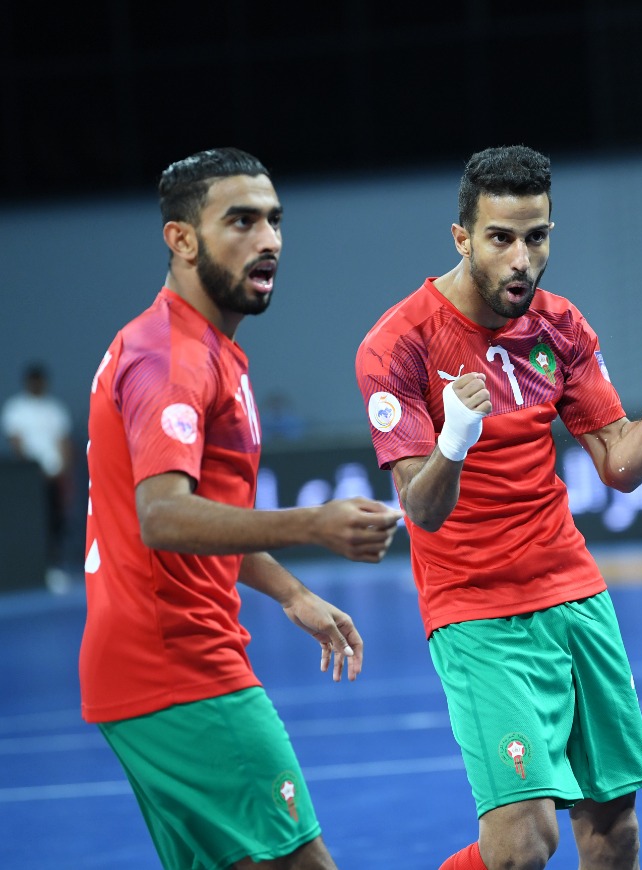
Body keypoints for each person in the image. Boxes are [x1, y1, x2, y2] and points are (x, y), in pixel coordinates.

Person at [355, 145, 642, 870]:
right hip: (475, 611)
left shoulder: (561, 327)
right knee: (523, 846)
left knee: (615, 830)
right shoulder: (399, 344)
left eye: (537, 236)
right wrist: (455, 437)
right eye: (501, 238)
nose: (522, 258)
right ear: (462, 237)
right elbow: (420, 511)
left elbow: (620, 464)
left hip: (574, 596)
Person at [80, 147, 404, 870]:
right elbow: (162, 516)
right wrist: (313, 526)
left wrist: (290, 592)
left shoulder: (207, 351)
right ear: (182, 239)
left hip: (152, 666)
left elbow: (202, 513)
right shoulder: (169, 358)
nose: (270, 240)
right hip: (178, 666)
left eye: (275, 221)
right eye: (242, 221)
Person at [2, 361, 74, 590]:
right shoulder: (15, 409)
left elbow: (64, 442)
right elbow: (16, 442)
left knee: (56, 521)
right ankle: (34, 569)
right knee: (34, 523)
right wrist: (36, 471)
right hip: (30, 481)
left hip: (55, 477)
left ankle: (55, 568)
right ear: (28, 382)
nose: (38, 384)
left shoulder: (55, 409)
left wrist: (61, 468)